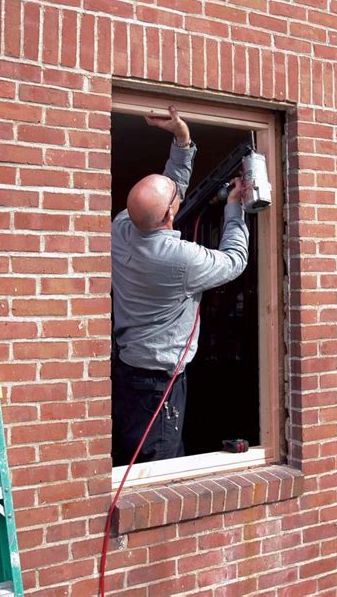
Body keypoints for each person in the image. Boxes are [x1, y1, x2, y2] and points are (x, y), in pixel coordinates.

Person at [111, 106, 249, 465]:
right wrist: (235, 209)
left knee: (140, 455)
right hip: (159, 387)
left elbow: (169, 194)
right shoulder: (179, 260)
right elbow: (234, 261)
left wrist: (182, 140)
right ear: (171, 216)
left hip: (130, 372)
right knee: (158, 471)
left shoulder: (123, 226)